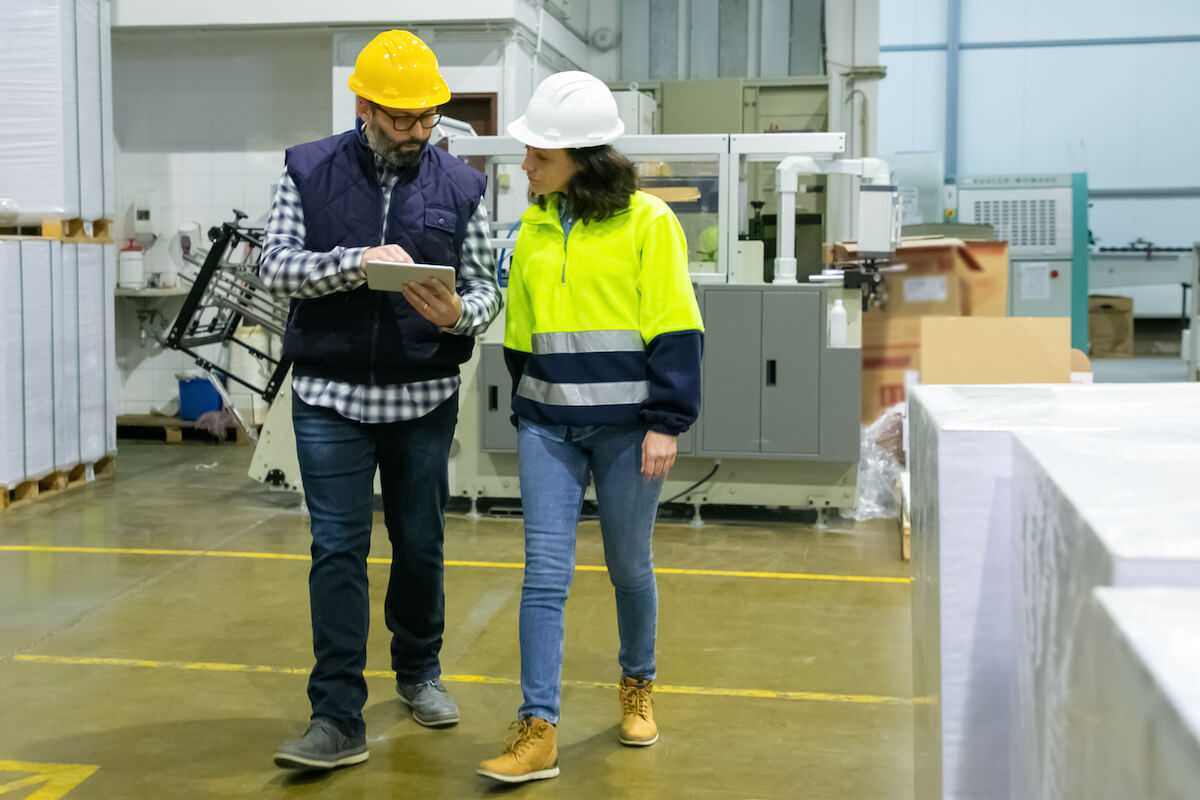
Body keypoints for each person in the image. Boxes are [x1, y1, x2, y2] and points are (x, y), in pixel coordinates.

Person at [260, 29, 501, 771]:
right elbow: (274, 265)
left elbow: (490, 285)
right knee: (337, 550)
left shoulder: (461, 185)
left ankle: (419, 670)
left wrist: (457, 315)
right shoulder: (307, 171)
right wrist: (355, 263)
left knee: (420, 543)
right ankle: (336, 714)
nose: (418, 131)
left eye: (428, 117)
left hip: (423, 396)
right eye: (402, 118)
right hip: (329, 395)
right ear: (363, 105)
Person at [477, 71, 704, 784]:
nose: (525, 167)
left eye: (538, 155)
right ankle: (538, 727)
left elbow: (676, 326)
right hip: (548, 428)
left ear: (582, 156)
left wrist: (666, 422)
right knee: (545, 575)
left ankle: (638, 681)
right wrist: (531, 405)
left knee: (628, 568)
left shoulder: (648, 223)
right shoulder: (534, 227)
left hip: (628, 431)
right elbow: (520, 337)